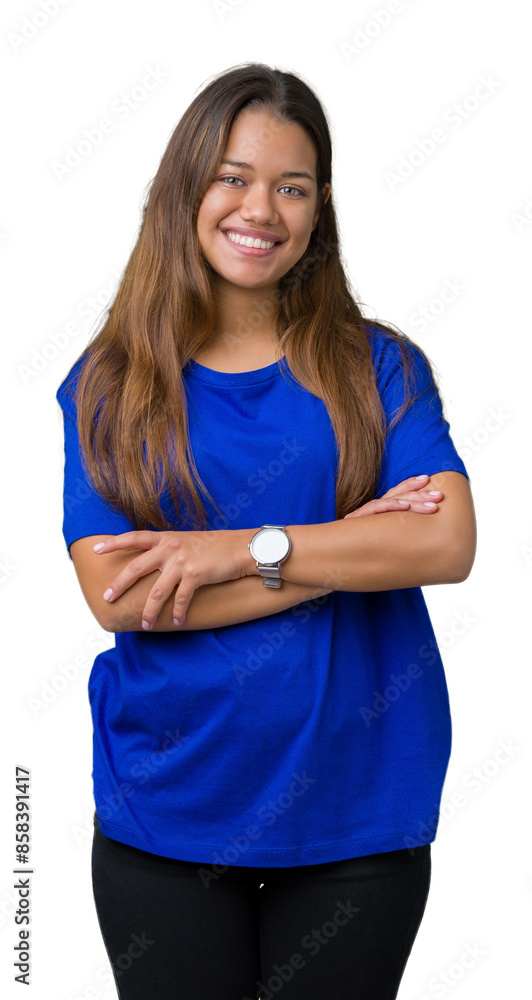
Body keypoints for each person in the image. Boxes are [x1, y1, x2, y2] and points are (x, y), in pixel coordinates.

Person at [56, 62, 476, 1000]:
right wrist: (348, 548)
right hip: (168, 809)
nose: (263, 210)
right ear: (187, 188)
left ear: (320, 208)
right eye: (235, 178)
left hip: (357, 811)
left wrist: (241, 549)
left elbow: (445, 545)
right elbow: (123, 599)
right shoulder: (111, 381)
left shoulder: (381, 366)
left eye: (293, 187)